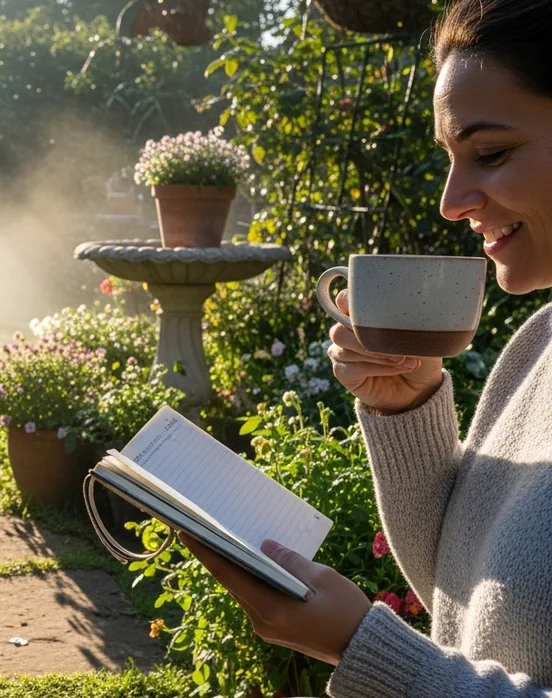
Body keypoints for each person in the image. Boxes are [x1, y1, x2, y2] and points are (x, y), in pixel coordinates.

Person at [180, 0, 552, 695]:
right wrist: (405, 413)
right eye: (450, 158)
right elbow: (465, 597)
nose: (451, 199)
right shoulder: (539, 345)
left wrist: (359, 646)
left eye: (490, 153)